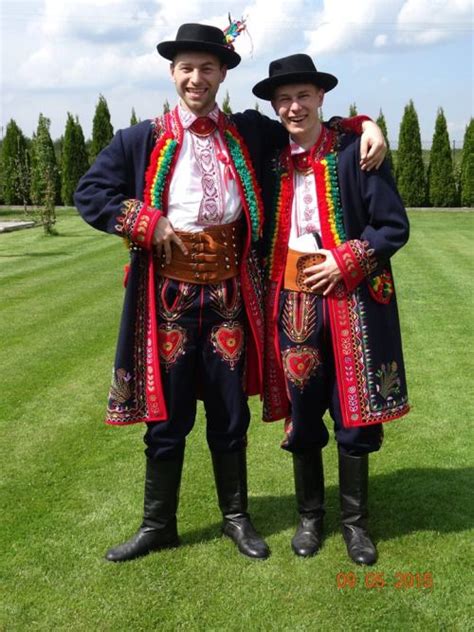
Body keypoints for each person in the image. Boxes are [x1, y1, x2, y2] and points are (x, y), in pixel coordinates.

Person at [74, 23, 386, 563]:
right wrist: (148, 223)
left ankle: (236, 519)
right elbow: (91, 192)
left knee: (228, 412)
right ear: (172, 73)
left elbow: (310, 127)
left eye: (208, 68)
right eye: (187, 68)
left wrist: (368, 124)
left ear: (223, 75)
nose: (197, 78)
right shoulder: (141, 138)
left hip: (228, 297)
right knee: (166, 418)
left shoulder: (247, 132)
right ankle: (158, 525)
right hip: (168, 297)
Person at [253, 54, 409, 565]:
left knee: (355, 413)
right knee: (303, 410)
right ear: (274, 107)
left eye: (302, 96)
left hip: (353, 298)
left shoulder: (355, 151)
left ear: (321, 97)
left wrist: (345, 261)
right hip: (292, 300)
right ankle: (309, 517)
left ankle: (355, 524)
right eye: (283, 99)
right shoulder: (268, 152)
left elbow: (392, 225)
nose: (293, 107)